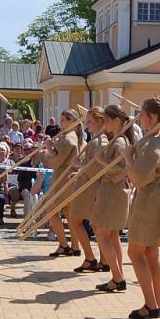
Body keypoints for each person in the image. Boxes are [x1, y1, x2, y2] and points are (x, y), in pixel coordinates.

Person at [123, 99, 160, 319]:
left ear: (152, 117)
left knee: (135, 252)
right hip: (157, 196)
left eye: (142, 114)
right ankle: (156, 303)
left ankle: (150, 304)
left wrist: (129, 158)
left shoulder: (152, 143)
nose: (139, 117)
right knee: (151, 253)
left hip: (149, 199)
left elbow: (139, 176)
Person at [92, 105, 134, 293]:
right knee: (112, 235)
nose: (105, 124)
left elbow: (121, 170)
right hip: (111, 192)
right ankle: (118, 276)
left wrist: (102, 160)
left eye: (108, 120)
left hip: (112, 192)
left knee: (101, 233)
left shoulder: (120, 143)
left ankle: (117, 277)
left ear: (117, 121)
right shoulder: (117, 140)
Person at [67, 107, 108, 272]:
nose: (87, 125)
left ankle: (91, 258)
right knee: (93, 224)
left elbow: (97, 167)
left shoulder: (101, 141)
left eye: (90, 121)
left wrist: (79, 165)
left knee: (76, 220)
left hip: (91, 187)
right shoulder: (96, 139)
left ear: (100, 121)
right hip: (87, 184)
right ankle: (103, 260)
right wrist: (79, 171)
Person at [43, 109, 82, 257]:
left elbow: (56, 161)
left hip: (63, 178)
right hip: (67, 178)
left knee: (52, 211)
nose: (61, 123)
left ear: (71, 121)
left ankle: (64, 245)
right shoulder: (70, 136)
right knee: (69, 213)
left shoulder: (68, 138)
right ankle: (75, 246)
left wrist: (48, 148)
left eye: (64, 120)